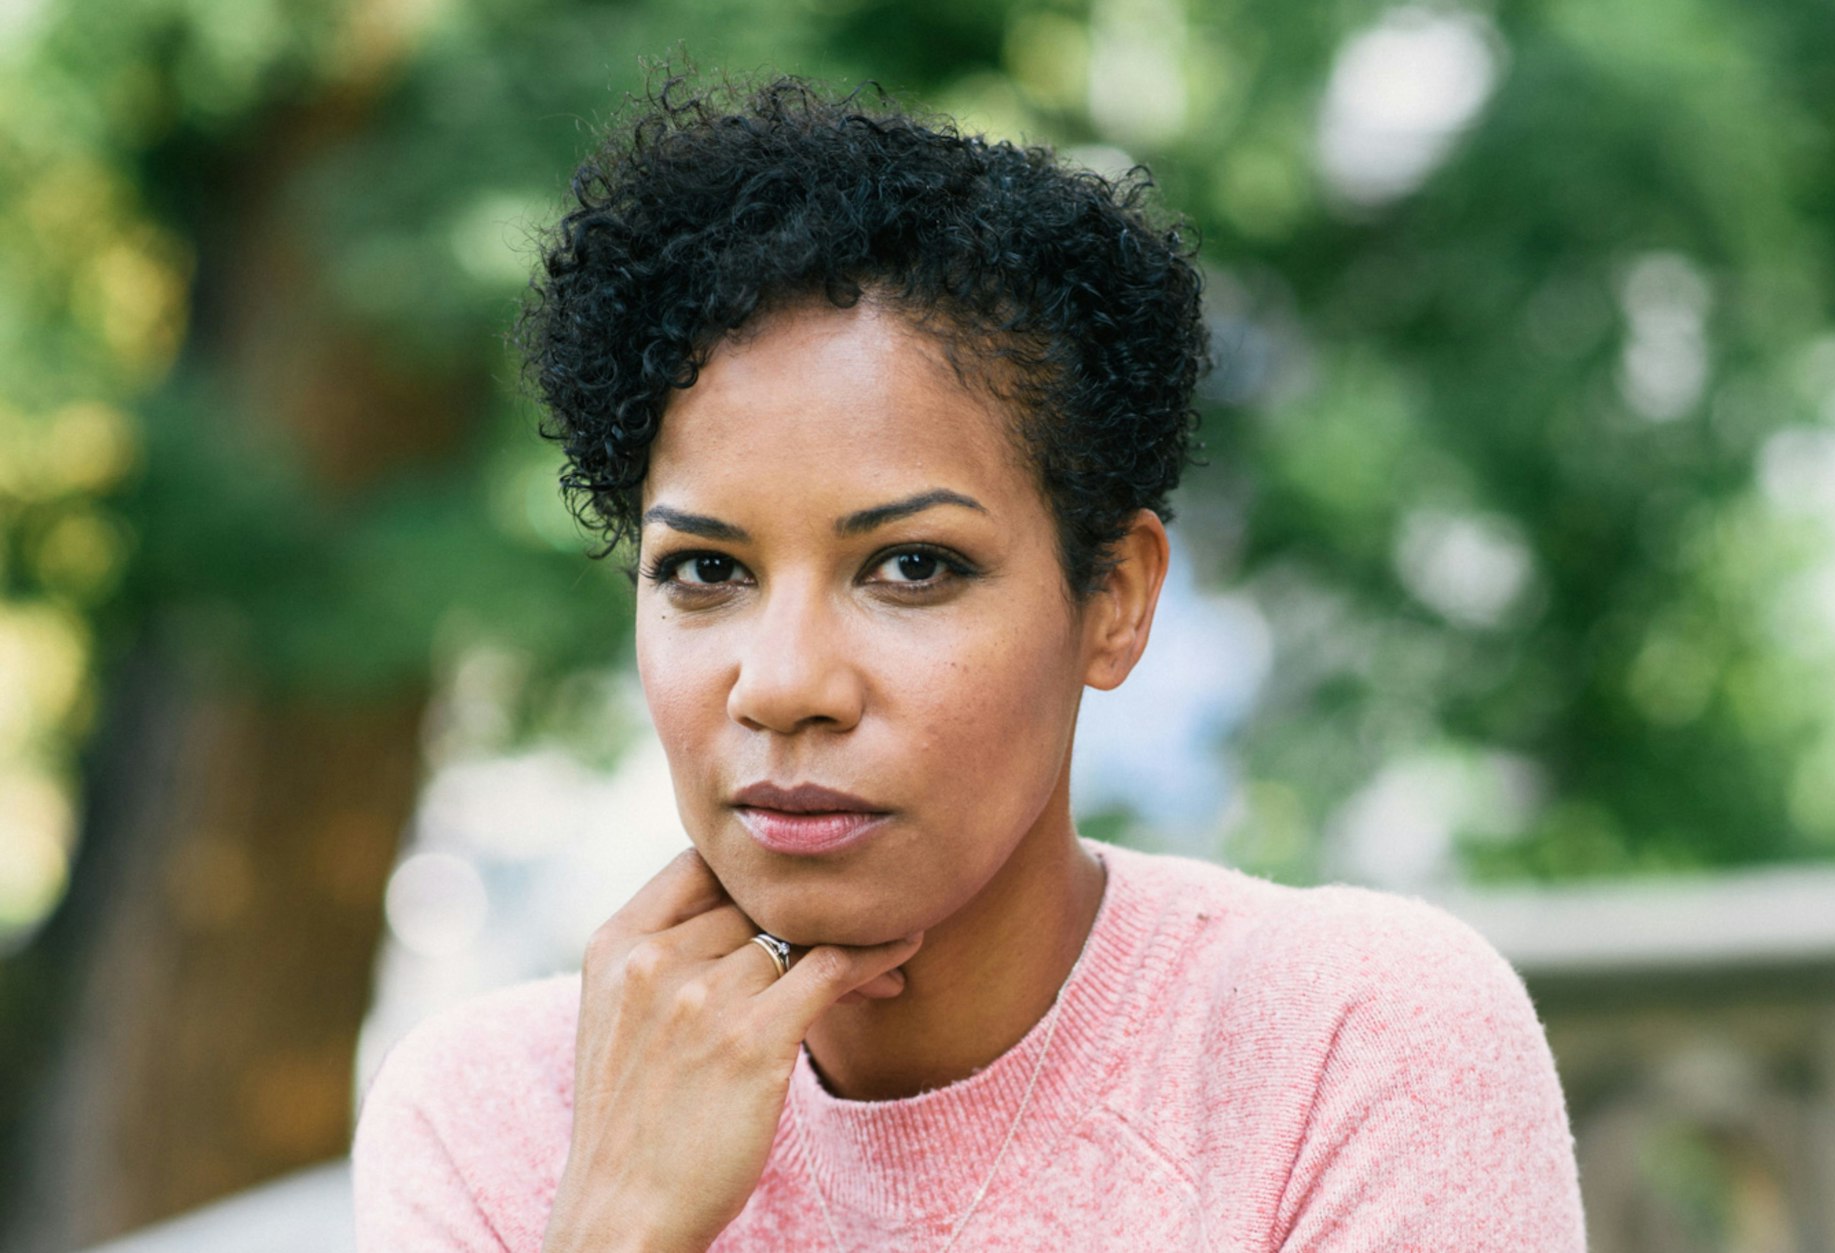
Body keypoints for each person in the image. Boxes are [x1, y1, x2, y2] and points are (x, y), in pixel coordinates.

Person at [351, 71, 1587, 1251]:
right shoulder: (494, 1121)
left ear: (1111, 597)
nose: (783, 685)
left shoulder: (1347, 1049)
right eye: (706, 571)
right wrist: (620, 1222)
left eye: (912, 567)